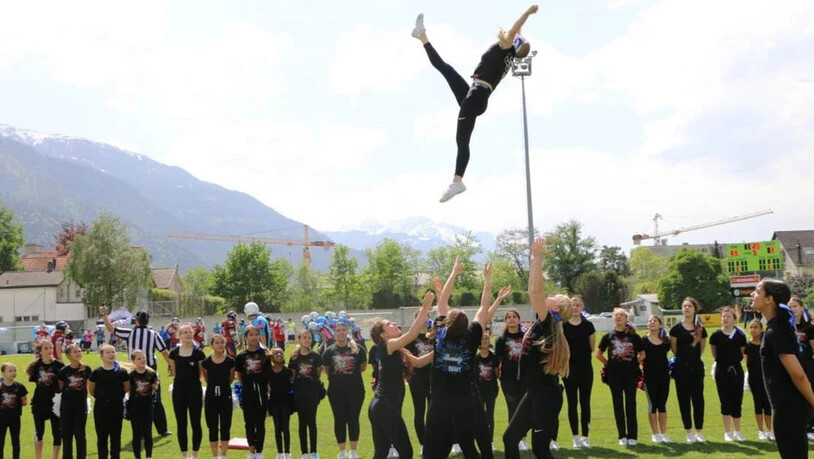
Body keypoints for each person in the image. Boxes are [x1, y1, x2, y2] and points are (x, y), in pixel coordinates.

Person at [411, 5, 538, 202]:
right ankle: (421, 35)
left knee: (462, 140)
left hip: (476, 96)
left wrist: (528, 13)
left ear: (514, 41)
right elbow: (518, 32)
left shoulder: (507, 45)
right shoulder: (509, 53)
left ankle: (457, 181)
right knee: (446, 69)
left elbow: (515, 28)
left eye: (515, 36)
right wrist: (522, 30)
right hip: (475, 93)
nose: (512, 33)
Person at [424, 261, 510, 459]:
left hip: (439, 400)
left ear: (448, 321)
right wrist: (487, 280)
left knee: (431, 447)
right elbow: (484, 305)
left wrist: (454, 273)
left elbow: (443, 299)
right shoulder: (472, 336)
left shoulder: (440, 333)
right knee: (468, 445)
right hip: (464, 400)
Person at [503, 238, 572, 459]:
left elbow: (534, 293)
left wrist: (538, 259)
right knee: (510, 438)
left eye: (554, 297)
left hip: (546, 396)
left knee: (540, 450)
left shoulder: (549, 322)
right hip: (534, 392)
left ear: (557, 308)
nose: (549, 296)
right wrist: (534, 260)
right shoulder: (546, 323)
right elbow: (535, 293)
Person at [368, 291, 435, 459]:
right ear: (383, 334)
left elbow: (419, 362)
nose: (394, 323)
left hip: (379, 406)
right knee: (406, 452)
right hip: (385, 406)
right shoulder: (388, 345)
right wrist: (425, 307)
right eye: (389, 324)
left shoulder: (397, 348)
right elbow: (412, 334)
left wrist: (440, 349)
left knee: (381, 453)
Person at [752, 279, 814, 458]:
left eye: (757, 291)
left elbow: (798, 374)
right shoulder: (777, 327)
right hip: (788, 407)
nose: (752, 294)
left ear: (769, 299)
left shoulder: (776, 331)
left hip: (789, 409)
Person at [101, 307, 173, 437]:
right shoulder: (154, 334)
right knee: (156, 399)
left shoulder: (130, 333)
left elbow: (111, 328)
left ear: (137, 321)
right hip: (151, 369)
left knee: (136, 399)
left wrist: (104, 314)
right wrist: (172, 366)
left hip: (133, 370)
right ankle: (163, 430)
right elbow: (164, 352)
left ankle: (138, 430)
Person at [596, 308, 645, 446]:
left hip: (631, 375)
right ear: (613, 318)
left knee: (631, 404)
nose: (618, 317)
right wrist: (608, 364)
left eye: (621, 315)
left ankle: (632, 436)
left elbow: (643, 353)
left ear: (626, 319)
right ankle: (622, 436)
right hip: (614, 376)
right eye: (616, 315)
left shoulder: (634, 336)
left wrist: (635, 362)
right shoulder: (608, 336)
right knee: (618, 405)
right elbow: (598, 354)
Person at [322, 319, 367, 459]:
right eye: (338, 330)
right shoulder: (328, 352)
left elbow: (362, 368)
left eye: (343, 330)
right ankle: (342, 452)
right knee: (339, 419)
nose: (341, 333)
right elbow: (327, 371)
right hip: (336, 392)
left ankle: (353, 451)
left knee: (353, 419)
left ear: (347, 332)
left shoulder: (358, 349)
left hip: (355, 390)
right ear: (334, 333)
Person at [669, 297, 707, 443]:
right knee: (683, 399)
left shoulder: (700, 329)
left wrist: (693, 354)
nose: (686, 308)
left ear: (694, 309)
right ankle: (689, 432)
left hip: (696, 367)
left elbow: (702, 348)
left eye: (689, 306)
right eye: (684, 306)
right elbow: (674, 348)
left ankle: (699, 431)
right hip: (680, 369)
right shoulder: (676, 329)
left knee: (698, 399)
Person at [562, 296, 596, 448]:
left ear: (582, 307)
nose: (575, 307)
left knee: (585, 402)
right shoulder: (563, 326)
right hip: (569, 369)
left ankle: (585, 436)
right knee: (572, 403)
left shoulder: (588, 325)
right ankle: (575, 437)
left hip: (585, 369)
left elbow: (591, 347)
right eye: (573, 305)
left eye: (578, 305)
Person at [709, 306, 747, 442]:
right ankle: (727, 432)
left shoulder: (740, 335)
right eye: (723, 316)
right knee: (725, 401)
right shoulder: (715, 336)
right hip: (722, 371)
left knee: (737, 401)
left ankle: (738, 431)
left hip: (736, 371)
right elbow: (714, 353)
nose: (725, 319)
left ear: (734, 319)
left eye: (728, 316)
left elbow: (741, 353)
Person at [168, 324, 205, 459]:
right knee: (181, 424)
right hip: (179, 391)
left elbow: (201, 373)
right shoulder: (174, 353)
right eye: (184, 332)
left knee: (196, 423)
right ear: (179, 335)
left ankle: (194, 455)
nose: (188, 335)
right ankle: (184, 455)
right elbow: (174, 371)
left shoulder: (198, 353)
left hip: (194, 390)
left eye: (190, 332)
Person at [235, 325, 272, 459]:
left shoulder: (265, 354)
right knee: (249, 422)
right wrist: (247, 386)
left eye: (256, 334)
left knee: (260, 422)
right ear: (245, 337)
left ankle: (259, 451)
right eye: (251, 335)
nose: (254, 337)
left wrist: (268, 390)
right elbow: (239, 375)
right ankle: (251, 451)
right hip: (248, 392)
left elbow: (268, 374)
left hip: (261, 392)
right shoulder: (241, 356)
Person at [88, 344, 130, 459]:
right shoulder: (97, 372)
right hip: (101, 407)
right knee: (102, 436)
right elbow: (91, 390)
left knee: (116, 436)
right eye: (108, 352)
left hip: (116, 406)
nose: (111, 354)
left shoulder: (121, 372)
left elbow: (126, 388)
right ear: (101, 356)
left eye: (113, 352)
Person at [495, 309, 528, 452]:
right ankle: (515, 439)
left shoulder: (526, 337)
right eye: (509, 317)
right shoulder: (501, 340)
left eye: (514, 316)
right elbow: (498, 361)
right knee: (513, 408)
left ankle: (524, 438)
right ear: (506, 321)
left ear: (519, 319)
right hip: (508, 379)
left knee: (525, 408)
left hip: (525, 378)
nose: (512, 319)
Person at [27, 339, 64, 459]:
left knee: (57, 433)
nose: (49, 350)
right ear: (40, 351)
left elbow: (63, 383)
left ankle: (55, 457)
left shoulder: (59, 365)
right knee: (39, 432)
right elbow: (35, 382)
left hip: (55, 403)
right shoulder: (36, 365)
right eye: (46, 348)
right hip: (39, 402)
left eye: (50, 347)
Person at [289, 329, 323, 459]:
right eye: (304, 337)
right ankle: (304, 452)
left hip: (313, 393)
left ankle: (314, 451)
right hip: (299, 393)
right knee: (302, 422)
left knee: (312, 421)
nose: (307, 340)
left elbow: (318, 374)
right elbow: (292, 376)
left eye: (309, 337)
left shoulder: (316, 355)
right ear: (299, 339)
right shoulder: (294, 357)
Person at [202, 334, 236, 459]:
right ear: (211, 345)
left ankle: (223, 455)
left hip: (225, 396)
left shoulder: (230, 361)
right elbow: (207, 378)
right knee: (212, 426)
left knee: (226, 425)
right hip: (211, 397)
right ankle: (215, 455)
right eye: (217, 342)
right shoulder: (206, 362)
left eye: (222, 342)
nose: (220, 345)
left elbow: (230, 378)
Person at [406, 304, 434, 451]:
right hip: (417, 379)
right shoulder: (411, 339)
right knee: (419, 410)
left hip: (434, 378)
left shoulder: (435, 336)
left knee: (433, 411)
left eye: (425, 316)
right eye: (420, 317)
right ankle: (423, 443)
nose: (423, 319)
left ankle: (433, 440)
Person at [57, 344, 91, 459]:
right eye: (75, 351)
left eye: (79, 351)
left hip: (81, 405)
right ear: (68, 355)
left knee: (80, 434)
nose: (78, 353)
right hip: (66, 406)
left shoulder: (86, 369)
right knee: (66, 434)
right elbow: (61, 387)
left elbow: (88, 386)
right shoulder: (63, 371)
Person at [641, 314, 671, 443]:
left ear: (660, 324)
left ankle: (663, 433)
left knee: (662, 405)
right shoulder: (643, 340)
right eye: (649, 321)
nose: (652, 322)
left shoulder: (666, 341)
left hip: (664, 376)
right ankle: (655, 434)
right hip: (649, 377)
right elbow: (640, 356)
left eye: (654, 321)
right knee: (652, 405)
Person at [789, 296, 814, 439]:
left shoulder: (809, 327)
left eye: (795, 306)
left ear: (801, 308)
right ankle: (796, 426)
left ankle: (810, 426)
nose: (793, 309)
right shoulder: (785, 327)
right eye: (790, 306)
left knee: (809, 394)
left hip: (807, 366)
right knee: (793, 397)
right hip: (791, 366)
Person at [744, 319, 773, 440]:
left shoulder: (766, 345)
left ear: (761, 329)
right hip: (754, 379)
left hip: (767, 379)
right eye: (751, 327)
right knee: (758, 404)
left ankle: (770, 430)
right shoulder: (747, 346)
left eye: (756, 327)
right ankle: (760, 430)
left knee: (767, 404)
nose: (753, 330)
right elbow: (747, 362)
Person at [128, 350, 159, 459]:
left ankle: (149, 456)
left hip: (147, 406)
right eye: (139, 358)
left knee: (148, 432)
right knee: (136, 433)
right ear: (133, 361)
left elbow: (155, 388)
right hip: (135, 407)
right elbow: (128, 390)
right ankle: (137, 456)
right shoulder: (131, 375)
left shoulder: (151, 374)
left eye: (143, 357)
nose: (142, 360)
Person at [475, 328, 500, 453]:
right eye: (482, 339)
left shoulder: (494, 357)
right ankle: (481, 443)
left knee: (490, 416)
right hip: (478, 391)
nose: (484, 341)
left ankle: (490, 442)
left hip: (490, 390)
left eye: (486, 339)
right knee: (479, 418)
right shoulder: (476, 358)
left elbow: (496, 373)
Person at [269, 347, 294, 459]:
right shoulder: (269, 371)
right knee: (277, 427)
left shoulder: (288, 371)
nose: (278, 354)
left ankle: (287, 452)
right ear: (272, 357)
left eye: (280, 353)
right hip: (274, 402)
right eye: (275, 353)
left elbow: (293, 381)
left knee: (285, 427)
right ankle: (279, 452)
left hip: (286, 402)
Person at [0, 363, 27, 459]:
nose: (13, 373)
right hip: (1, 418)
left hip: (15, 418)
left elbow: (24, 401)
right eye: (10, 371)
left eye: (14, 370)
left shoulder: (19, 386)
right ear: (3, 373)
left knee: (15, 441)